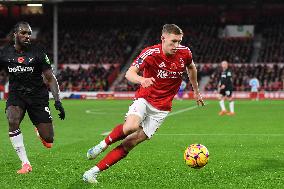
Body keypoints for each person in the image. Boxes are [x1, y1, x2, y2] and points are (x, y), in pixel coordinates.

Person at [83, 24, 204, 184]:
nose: (176, 46)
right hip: (145, 98)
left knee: (130, 143)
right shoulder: (151, 53)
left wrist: (196, 90)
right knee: (131, 126)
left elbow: (191, 68)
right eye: (173, 42)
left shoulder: (185, 53)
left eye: (179, 42)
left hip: (162, 108)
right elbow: (129, 73)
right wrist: (142, 79)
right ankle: (102, 145)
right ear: (163, 38)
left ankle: (92, 172)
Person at [0, 22, 65, 174]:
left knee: (49, 139)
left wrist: (57, 101)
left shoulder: (38, 52)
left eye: (29, 33)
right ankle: (25, 164)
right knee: (12, 120)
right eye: (23, 33)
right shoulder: (5, 54)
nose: (27, 36)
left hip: (37, 97)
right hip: (17, 94)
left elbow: (50, 78)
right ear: (15, 34)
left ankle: (39, 128)